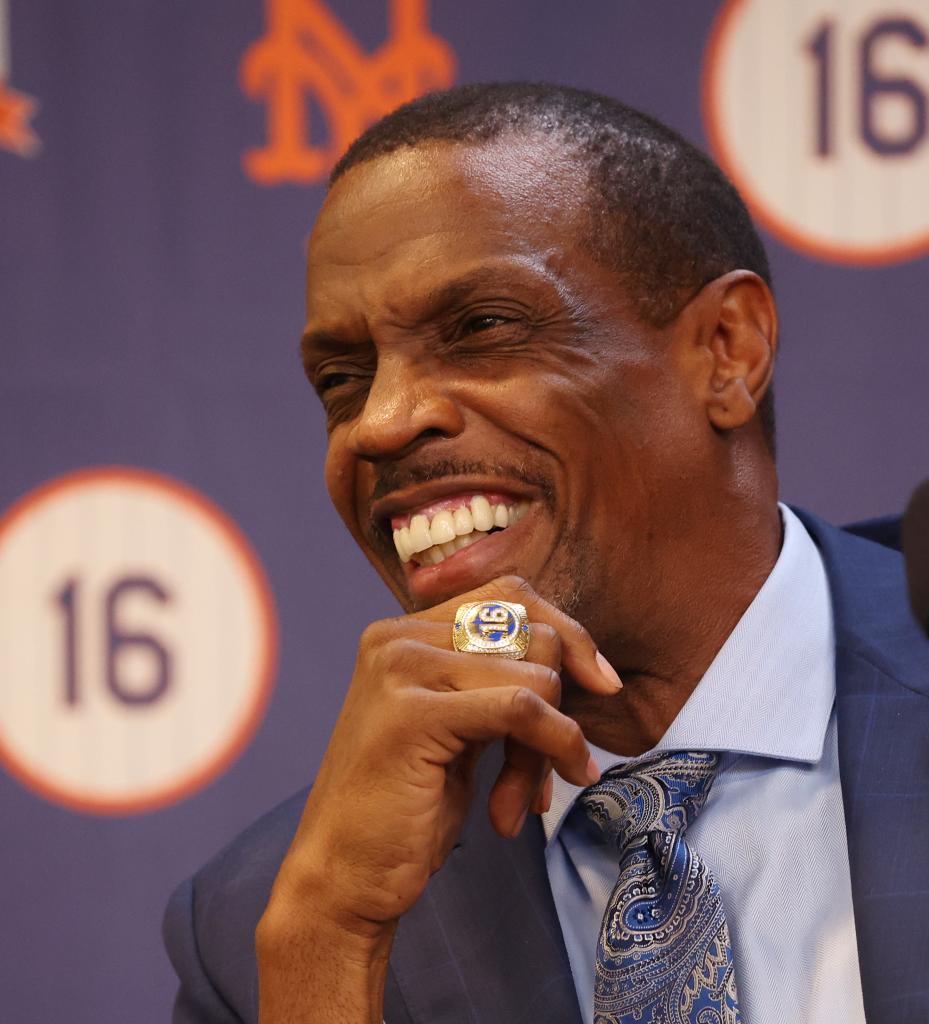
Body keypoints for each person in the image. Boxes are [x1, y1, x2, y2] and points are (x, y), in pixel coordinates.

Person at [163, 83, 929, 1024]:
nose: (383, 422)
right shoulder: (267, 924)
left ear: (725, 351)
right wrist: (330, 939)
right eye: (341, 380)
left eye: (481, 328)